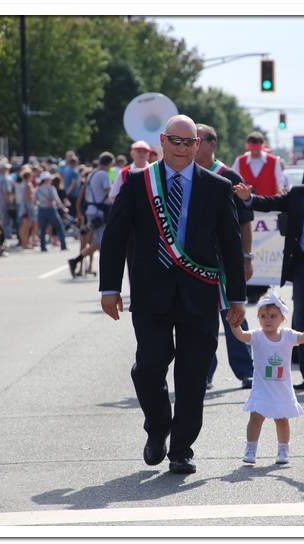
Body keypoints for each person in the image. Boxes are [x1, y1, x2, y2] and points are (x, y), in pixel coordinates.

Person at [99, 114, 246, 475]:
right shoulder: (137, 183)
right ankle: (158, 427)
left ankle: (182, 448)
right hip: (151, 294)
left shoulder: (217, 186)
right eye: (174, 141)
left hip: (200, 294)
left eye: (188, 142)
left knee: (193, 375)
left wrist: (238, 298)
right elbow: (115, 236)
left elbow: (230, 245)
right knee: (148, 367)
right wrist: (109, 287)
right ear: (162, 142)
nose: (181, 149)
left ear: (199, 145)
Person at [234, 150, 304, 391]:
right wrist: (248, 198)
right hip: (302, 266)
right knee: (300, 320)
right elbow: (270, 203)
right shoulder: (299, 193)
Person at [195, 123, 255, 390]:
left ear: (211, 144)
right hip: (197, 261)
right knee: (200, 320)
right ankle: (204, 372)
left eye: (197, 140)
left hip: (226, 261)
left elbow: (244, 222)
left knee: (234, 313)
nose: (192, 145)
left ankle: (245, 370)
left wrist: (246, 257)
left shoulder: (228, 175)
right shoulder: (186, 174)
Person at [229, 291, 304, 465]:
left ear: (282, 318)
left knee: (281, 419)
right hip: (261, 388)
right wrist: (235, 325)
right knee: (255, 418)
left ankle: (283, 449)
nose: (267, 320)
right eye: (263, 316)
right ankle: (251, 449)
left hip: (281, 388)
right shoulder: (257, 336)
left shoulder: (287, 335)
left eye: (272, 316)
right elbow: (241, 336)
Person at [68, 152, 114, 277]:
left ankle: (86, 263)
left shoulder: (92, 174)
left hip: (91, 210)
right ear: (109, 163)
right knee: (99, 241)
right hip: (100, 212)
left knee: (96, 240)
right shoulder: (104, 175)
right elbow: (109, 193)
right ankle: (76, 260)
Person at [232, 132, 286, 196]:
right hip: (245, 203)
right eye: (252, 145)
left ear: (262, 145)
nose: (255, 149)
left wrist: (280, 190)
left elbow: (280, 180)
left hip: (269, 202)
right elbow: (234, 179)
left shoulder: (273, 160)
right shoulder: (240, 161)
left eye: (257, 145)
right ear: (247, 146)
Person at [35, 172, 69, 252]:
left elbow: (35, 200)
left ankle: (43, 247)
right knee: (59, 227)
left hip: (41, 209)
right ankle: (63, 246)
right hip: (51, 209)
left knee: (43, 229)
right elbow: (57, 199)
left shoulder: (38, 189)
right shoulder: (51, 188)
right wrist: (63, 208)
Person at [0, 159, 15, 239]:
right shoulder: (4, 179)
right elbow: (7, 193)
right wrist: (10, 204)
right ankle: (5, 238)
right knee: (6, 222)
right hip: (4, 203)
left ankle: (0, 237)